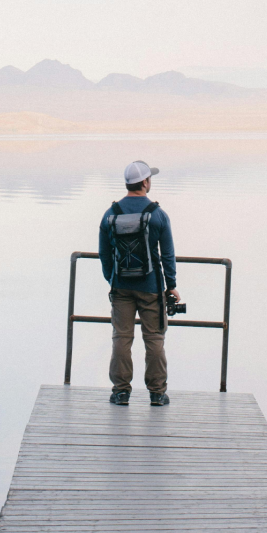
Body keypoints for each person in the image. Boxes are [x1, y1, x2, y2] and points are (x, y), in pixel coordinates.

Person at [99, 159, 181, 406]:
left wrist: (113, 279)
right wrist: (171, 285)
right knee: (154, 339)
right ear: (145, 182)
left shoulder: (110, 214)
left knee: (122, 338)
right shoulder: (158, 214)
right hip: (151, 288)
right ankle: (157, 393)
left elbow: (104, 255)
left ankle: (121, 392)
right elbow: (167, 255)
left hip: (121, 288)